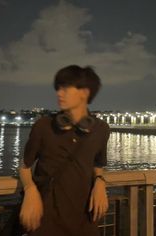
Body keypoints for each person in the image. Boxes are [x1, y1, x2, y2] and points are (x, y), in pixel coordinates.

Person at [18, 65, 110, 236]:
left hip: (84, 220)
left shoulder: (101, 129)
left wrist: (100, 182)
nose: (59, 93)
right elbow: (24, 167)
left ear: (84, 92)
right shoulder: (43, 126)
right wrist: (30, 190)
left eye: (66, 88)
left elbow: (98, 163)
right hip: (44, 220)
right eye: (58, 88)